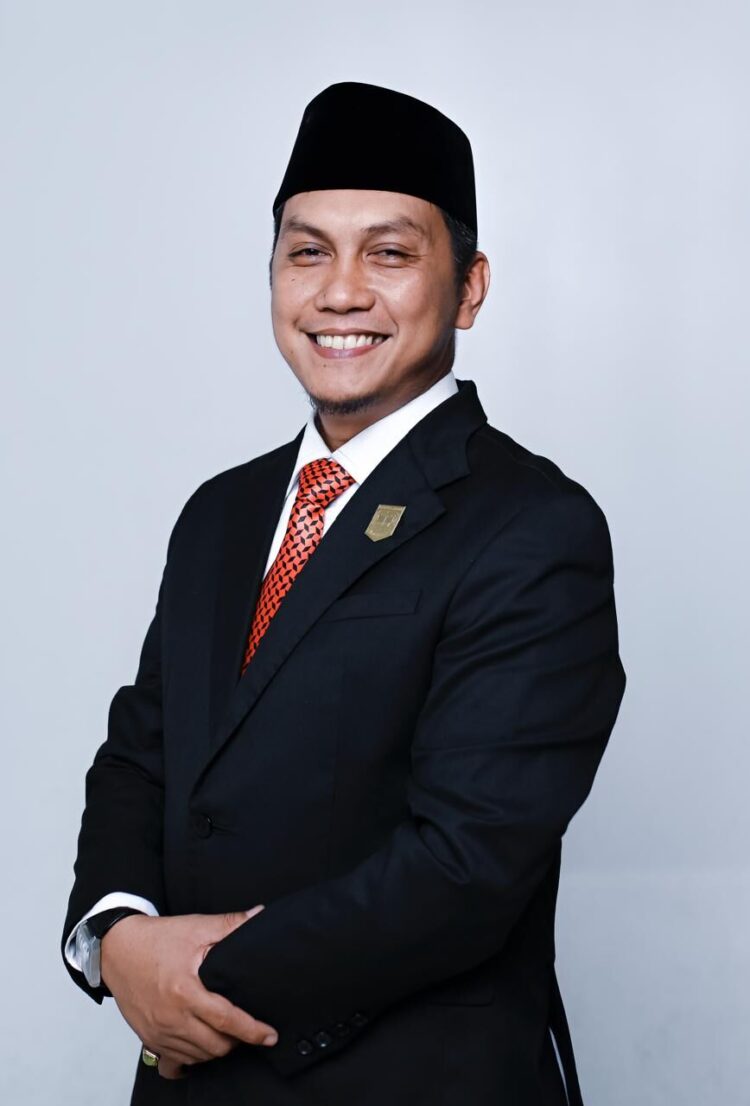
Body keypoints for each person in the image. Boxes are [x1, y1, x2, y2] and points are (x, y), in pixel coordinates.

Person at [61, 81, 627, 1106]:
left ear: (469, 288)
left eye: (390, 253)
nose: (340, 292)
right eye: (308, 251)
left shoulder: (534, 526)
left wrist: (188, 981)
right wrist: (115, 933)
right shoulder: (220, 513)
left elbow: (464, 865)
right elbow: (142, 755)